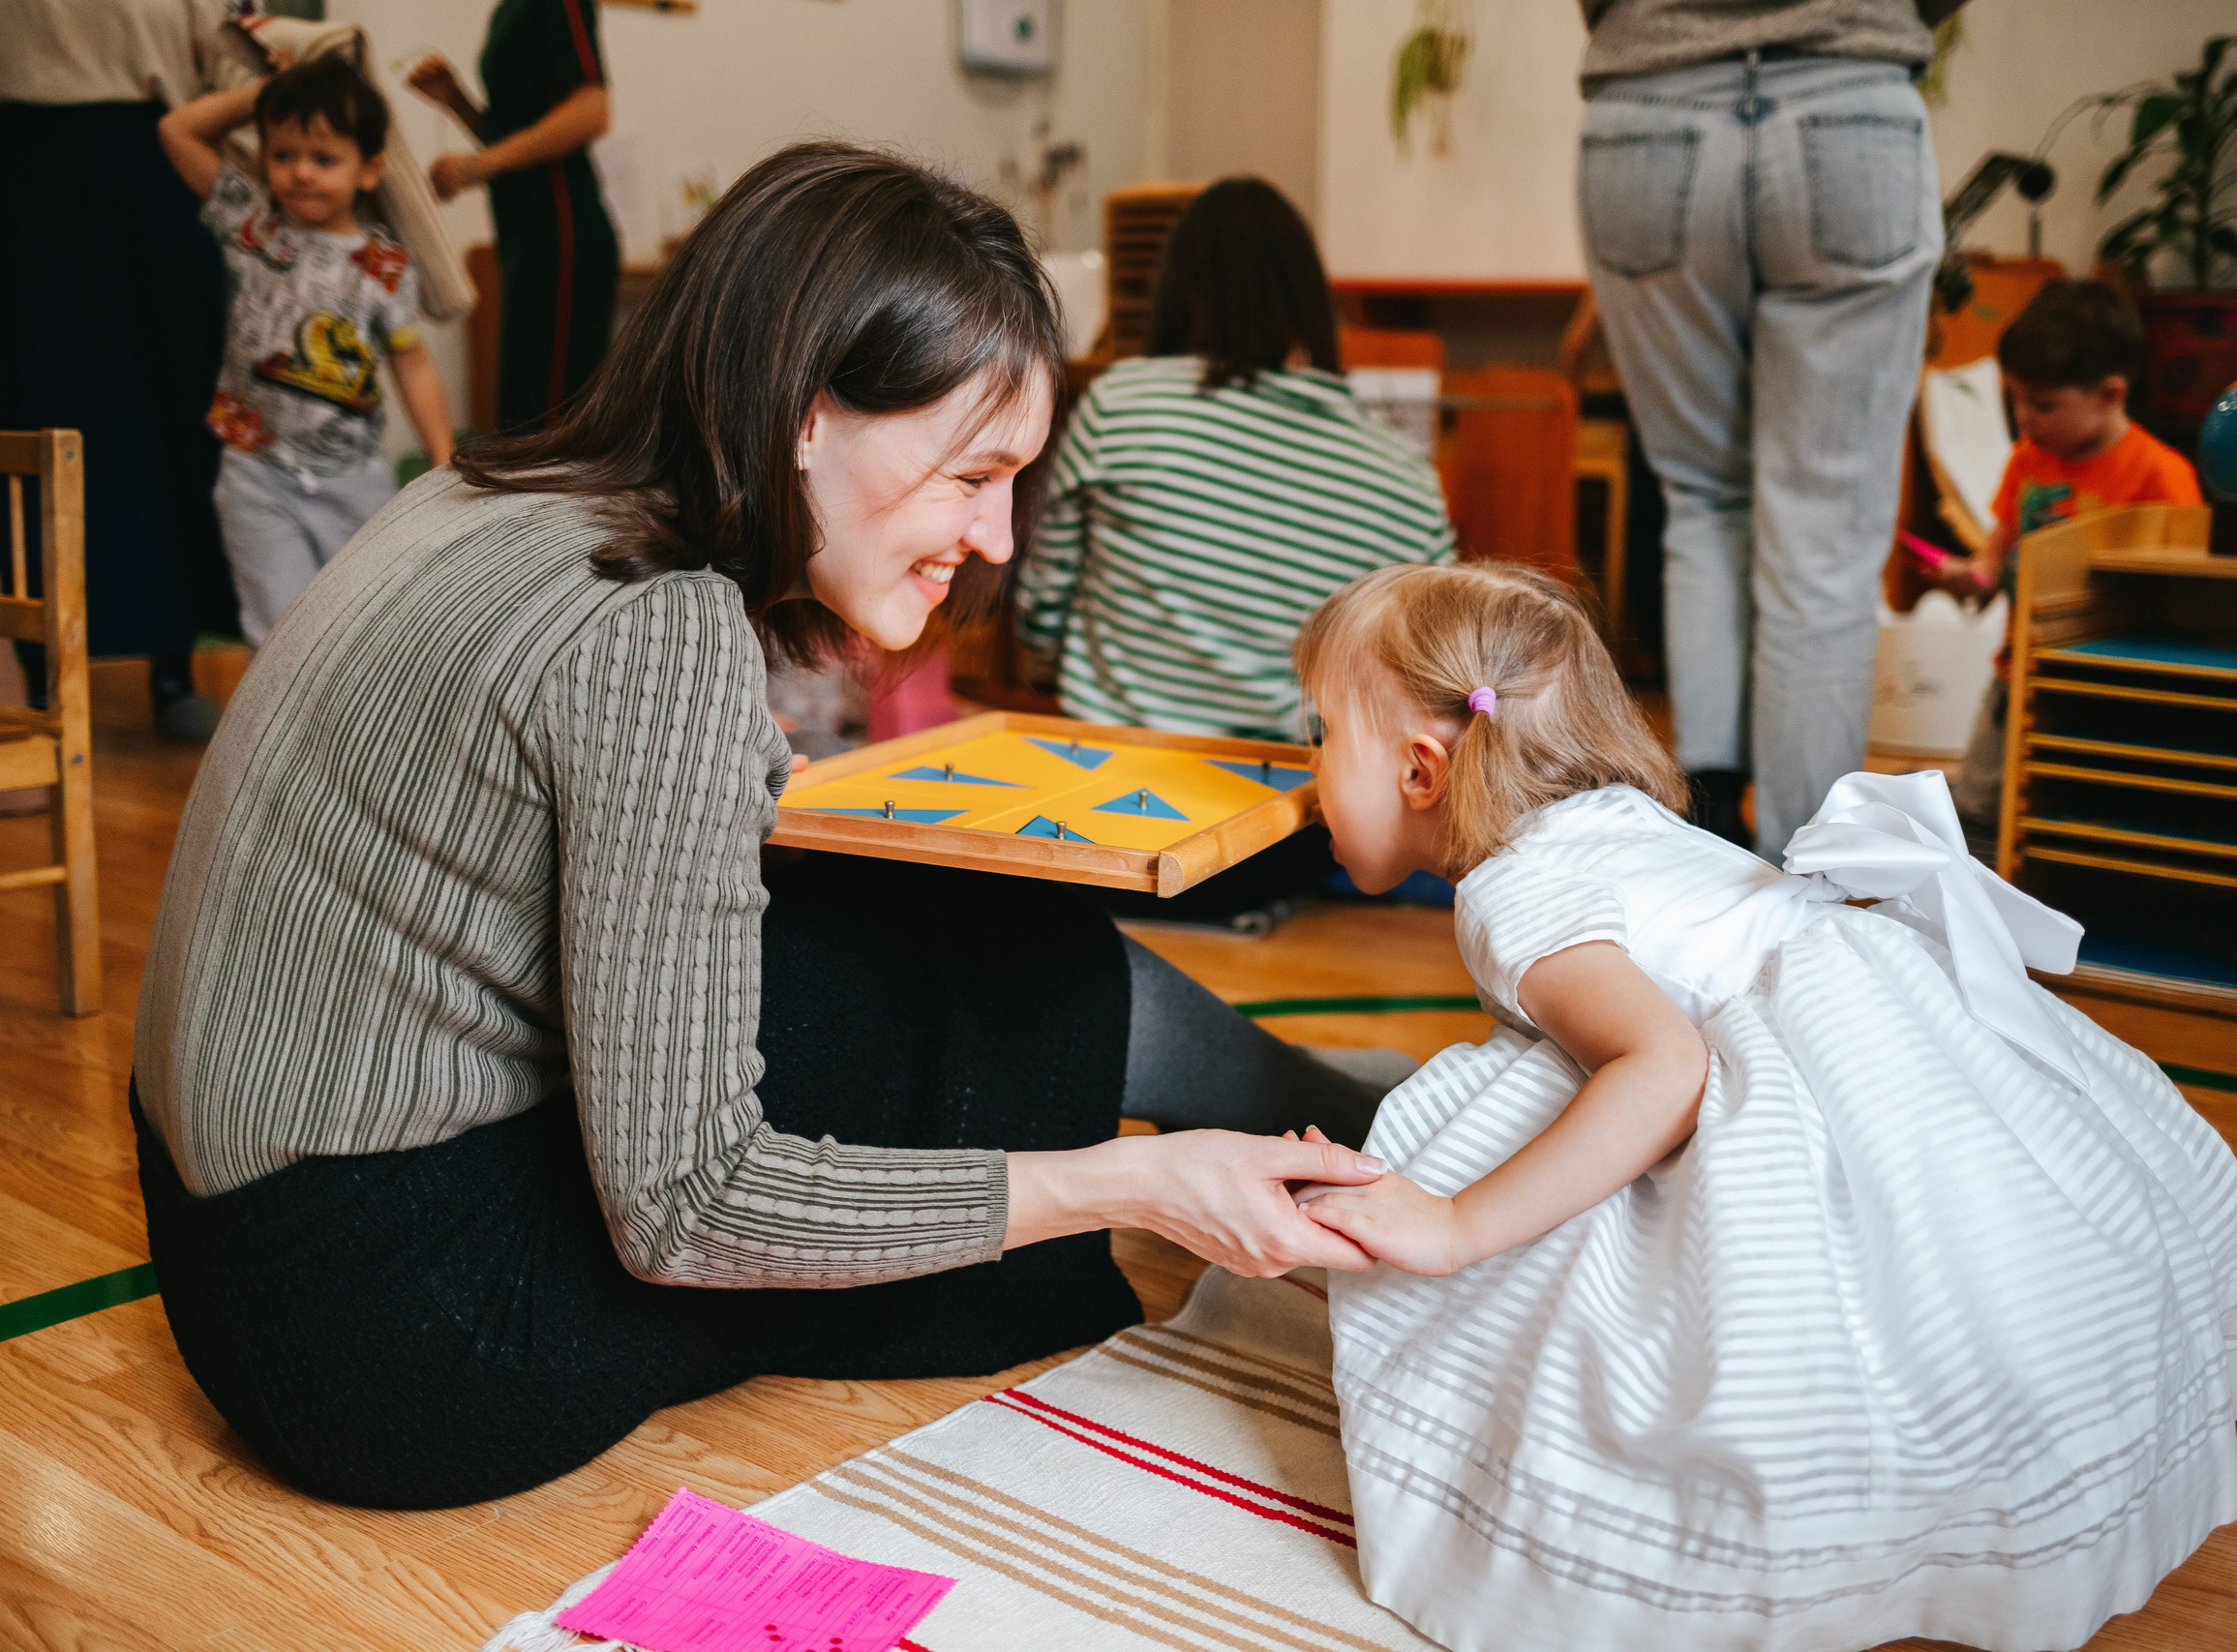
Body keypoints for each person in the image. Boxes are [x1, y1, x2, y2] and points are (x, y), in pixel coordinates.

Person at [131, 142, 1391, 1513]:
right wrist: (1131, 1182)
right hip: (399, 1342)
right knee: (998, 980)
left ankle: (1348, 1113)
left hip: (237, 1258)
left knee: (930, 941)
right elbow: (689, 1205)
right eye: (974, 474)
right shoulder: (650, 620)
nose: (1002, 533)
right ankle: (1365, 1127)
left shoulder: (493, 495)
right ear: (805, 407)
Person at [1285, 560, 2237, 1651]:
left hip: (1788, 1068)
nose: (1305, 773)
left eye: (1318, 735)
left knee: (1520, 1115)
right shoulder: (1606, 820)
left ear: (1419, 770)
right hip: (1886, 1027)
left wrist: (1457, 1224)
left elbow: (1662, 1067)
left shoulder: (1513, 892)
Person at [1574, 0, 1964, 857]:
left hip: (1648, 112)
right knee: (1819, 539)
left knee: (1702, 499)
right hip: (1848, 105)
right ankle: (1807, 881)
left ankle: (1706, 841)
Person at [1016, 177, 1455, 744]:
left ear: (1174, 292)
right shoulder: (1408, 481)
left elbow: (1040, 615)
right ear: (1313, 299)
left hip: (1109, 777)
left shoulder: (1121, 404)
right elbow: (1438, 676)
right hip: (1302, 798)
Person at [0, 0, 254, 741]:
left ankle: (172, 664)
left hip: (157, 163)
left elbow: (231, 46)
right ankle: (36, 668)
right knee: (36, 415)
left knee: (177, 410)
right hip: (24, 175)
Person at [159, 54, 456, 645]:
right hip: (256, 474)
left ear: (368, 171)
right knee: (276, 634)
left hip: (356, 479)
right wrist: (271, 91)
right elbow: (178, 130)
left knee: (360, 632)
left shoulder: (385, 264)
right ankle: (278, 736)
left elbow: (411, 361)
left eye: (325, 159)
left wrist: (443, 457)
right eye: (283, 155)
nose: (301, 173)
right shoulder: (253, 227)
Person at [1947, 280, 2201, 831]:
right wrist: (1976, 575)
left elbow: (2185, 596)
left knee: (2079, 811)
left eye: (2043, 404)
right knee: (1976, 809)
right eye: (2014, 399)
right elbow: (1998, 548)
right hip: (2018, 671)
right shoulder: (2027, 459)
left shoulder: (2162, 476)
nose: (2024, 418)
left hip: (2106, 685)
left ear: (2110, 393)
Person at [408, 0, 617, 433]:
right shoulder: (508, 10)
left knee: (548, 430)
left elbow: (592, 110)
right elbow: (515, 134)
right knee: (520, 421)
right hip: (525, 234)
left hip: (562, 232)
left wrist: (475, 167)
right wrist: (456, 100)